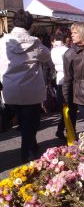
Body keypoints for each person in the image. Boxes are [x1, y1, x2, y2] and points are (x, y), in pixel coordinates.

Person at [0, 9, 51, 163]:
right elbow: (46, 56)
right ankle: (28, 157)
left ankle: (32, 149)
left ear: (14, 22)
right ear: (30, 25)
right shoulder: (35, 43)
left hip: (9, 91)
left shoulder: (3, 42)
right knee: (30, 125)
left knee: (23, 123)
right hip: (31, 93)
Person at [51, 33, 69, 139]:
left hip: (59, 79)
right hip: (67, 79)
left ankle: (61, 129)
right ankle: (66, 130)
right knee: (68, 107)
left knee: (64, 107)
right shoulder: (66, 50)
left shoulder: (52, 50)